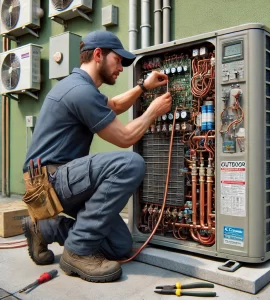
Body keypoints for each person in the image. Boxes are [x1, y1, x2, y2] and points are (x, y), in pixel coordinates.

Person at [22, 30, 172, 283]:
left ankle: (44, 228)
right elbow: (124, 137)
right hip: (49, 181)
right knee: (131, 163)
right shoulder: (80, 91)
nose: (121, 68)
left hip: (56, 180)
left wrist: (143, 87)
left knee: (120, 246)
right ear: (99, 55)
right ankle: (78, 250)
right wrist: (152, 113)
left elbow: (113, 106)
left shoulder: (79, 87)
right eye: (118, 60)